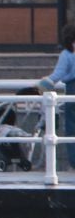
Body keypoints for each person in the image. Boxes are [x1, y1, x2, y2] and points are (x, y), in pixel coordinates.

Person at [42, 24, 75, 167]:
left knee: (72, 127)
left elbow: (58, 74)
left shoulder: (67, 54)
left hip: (72, 89)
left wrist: (40, 86)